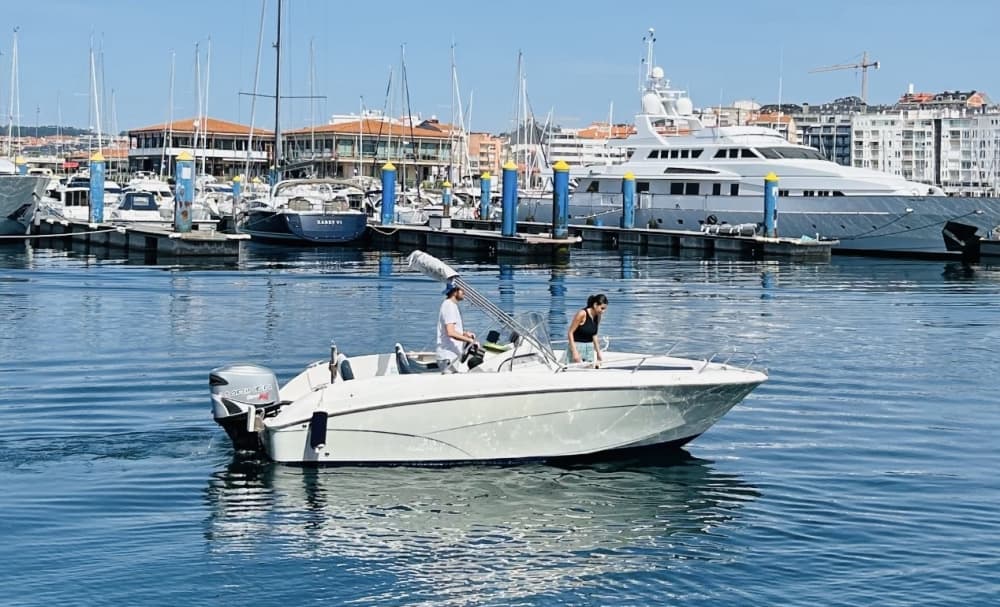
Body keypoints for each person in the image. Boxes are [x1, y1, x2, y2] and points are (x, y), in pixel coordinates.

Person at [436, 280, 476, 370]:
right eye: (462, 290)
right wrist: (470, 340)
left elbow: (451, 330)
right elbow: (451, 332)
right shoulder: (449, 306)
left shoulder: (451, 305)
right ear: (455, 292)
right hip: (448, 357)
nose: (464, 292)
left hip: (452, 356)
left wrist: (464, 333)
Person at [565, 294, 608, 367]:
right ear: (595, 305)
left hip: (589, 349)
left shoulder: (598, 316)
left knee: (589, 372)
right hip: (577, 347)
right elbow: (570, 332)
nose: (603, 311)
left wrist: (598, 353)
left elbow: (594, 335)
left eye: (605, 309)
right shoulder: (582, 314)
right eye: (602, 308)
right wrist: (575, 352)